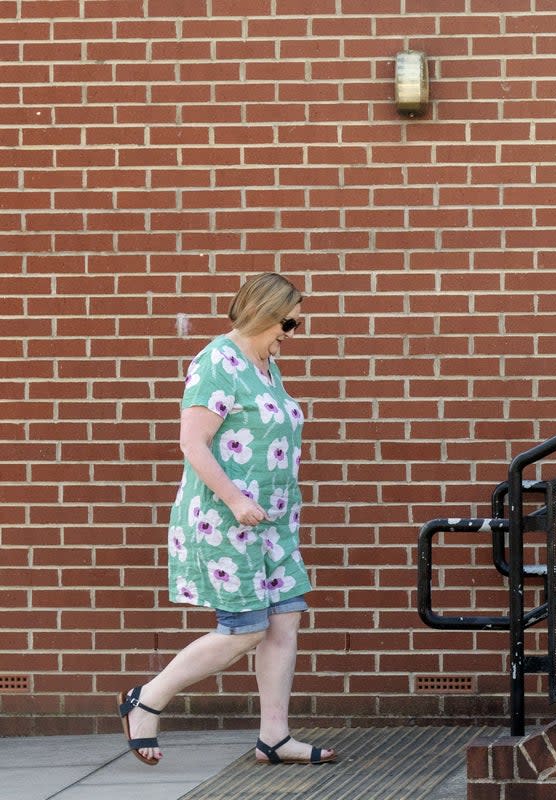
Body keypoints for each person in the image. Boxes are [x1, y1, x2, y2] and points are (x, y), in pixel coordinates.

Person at [118, 273, 336, 766]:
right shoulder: (217, 361)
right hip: (227, 518)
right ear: (265, 311)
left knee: (284, 620)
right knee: (245, 629)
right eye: (290, 320)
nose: (293, 330)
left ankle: (274, 738)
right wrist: (236, 499)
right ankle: (146, 700)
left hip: (273, 522)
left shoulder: (265, 367)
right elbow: (192, 443)